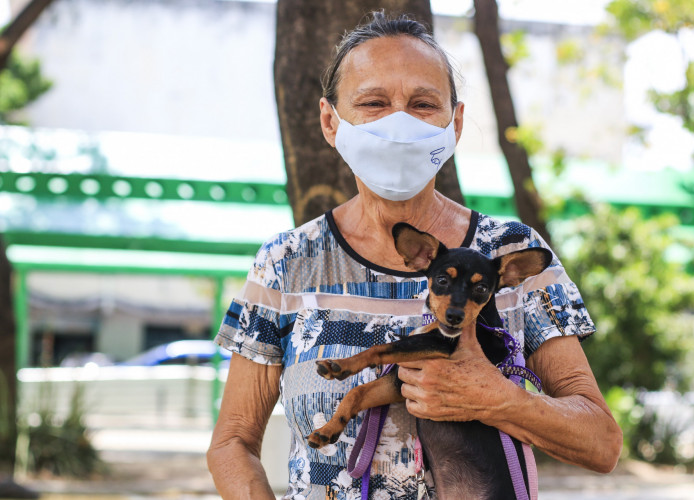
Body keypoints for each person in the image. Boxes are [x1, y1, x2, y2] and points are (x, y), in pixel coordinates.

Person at [207, 12, 622, 500]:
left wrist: (498, 398)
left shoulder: (513, 255)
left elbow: (601, 443)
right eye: (373, 102)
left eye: (423, 104)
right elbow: (231, 442)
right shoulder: (287, 262)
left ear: (456, 122)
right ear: (329, 121)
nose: (398, 122)